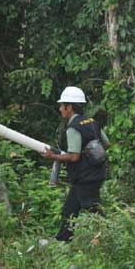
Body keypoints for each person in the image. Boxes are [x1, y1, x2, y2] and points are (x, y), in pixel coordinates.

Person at [42, 86, 109, 242]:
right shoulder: (92, 122)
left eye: (62, 105)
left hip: (84, 177)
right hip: (96, 173)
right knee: (69, 210)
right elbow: (106, 144)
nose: (60, 109)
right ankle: (62, 241)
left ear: (69, 107)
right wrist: (90, 153)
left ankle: (109, 234)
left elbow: (73, 157)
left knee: (93, 210)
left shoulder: (73, 128)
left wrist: (53, 156)